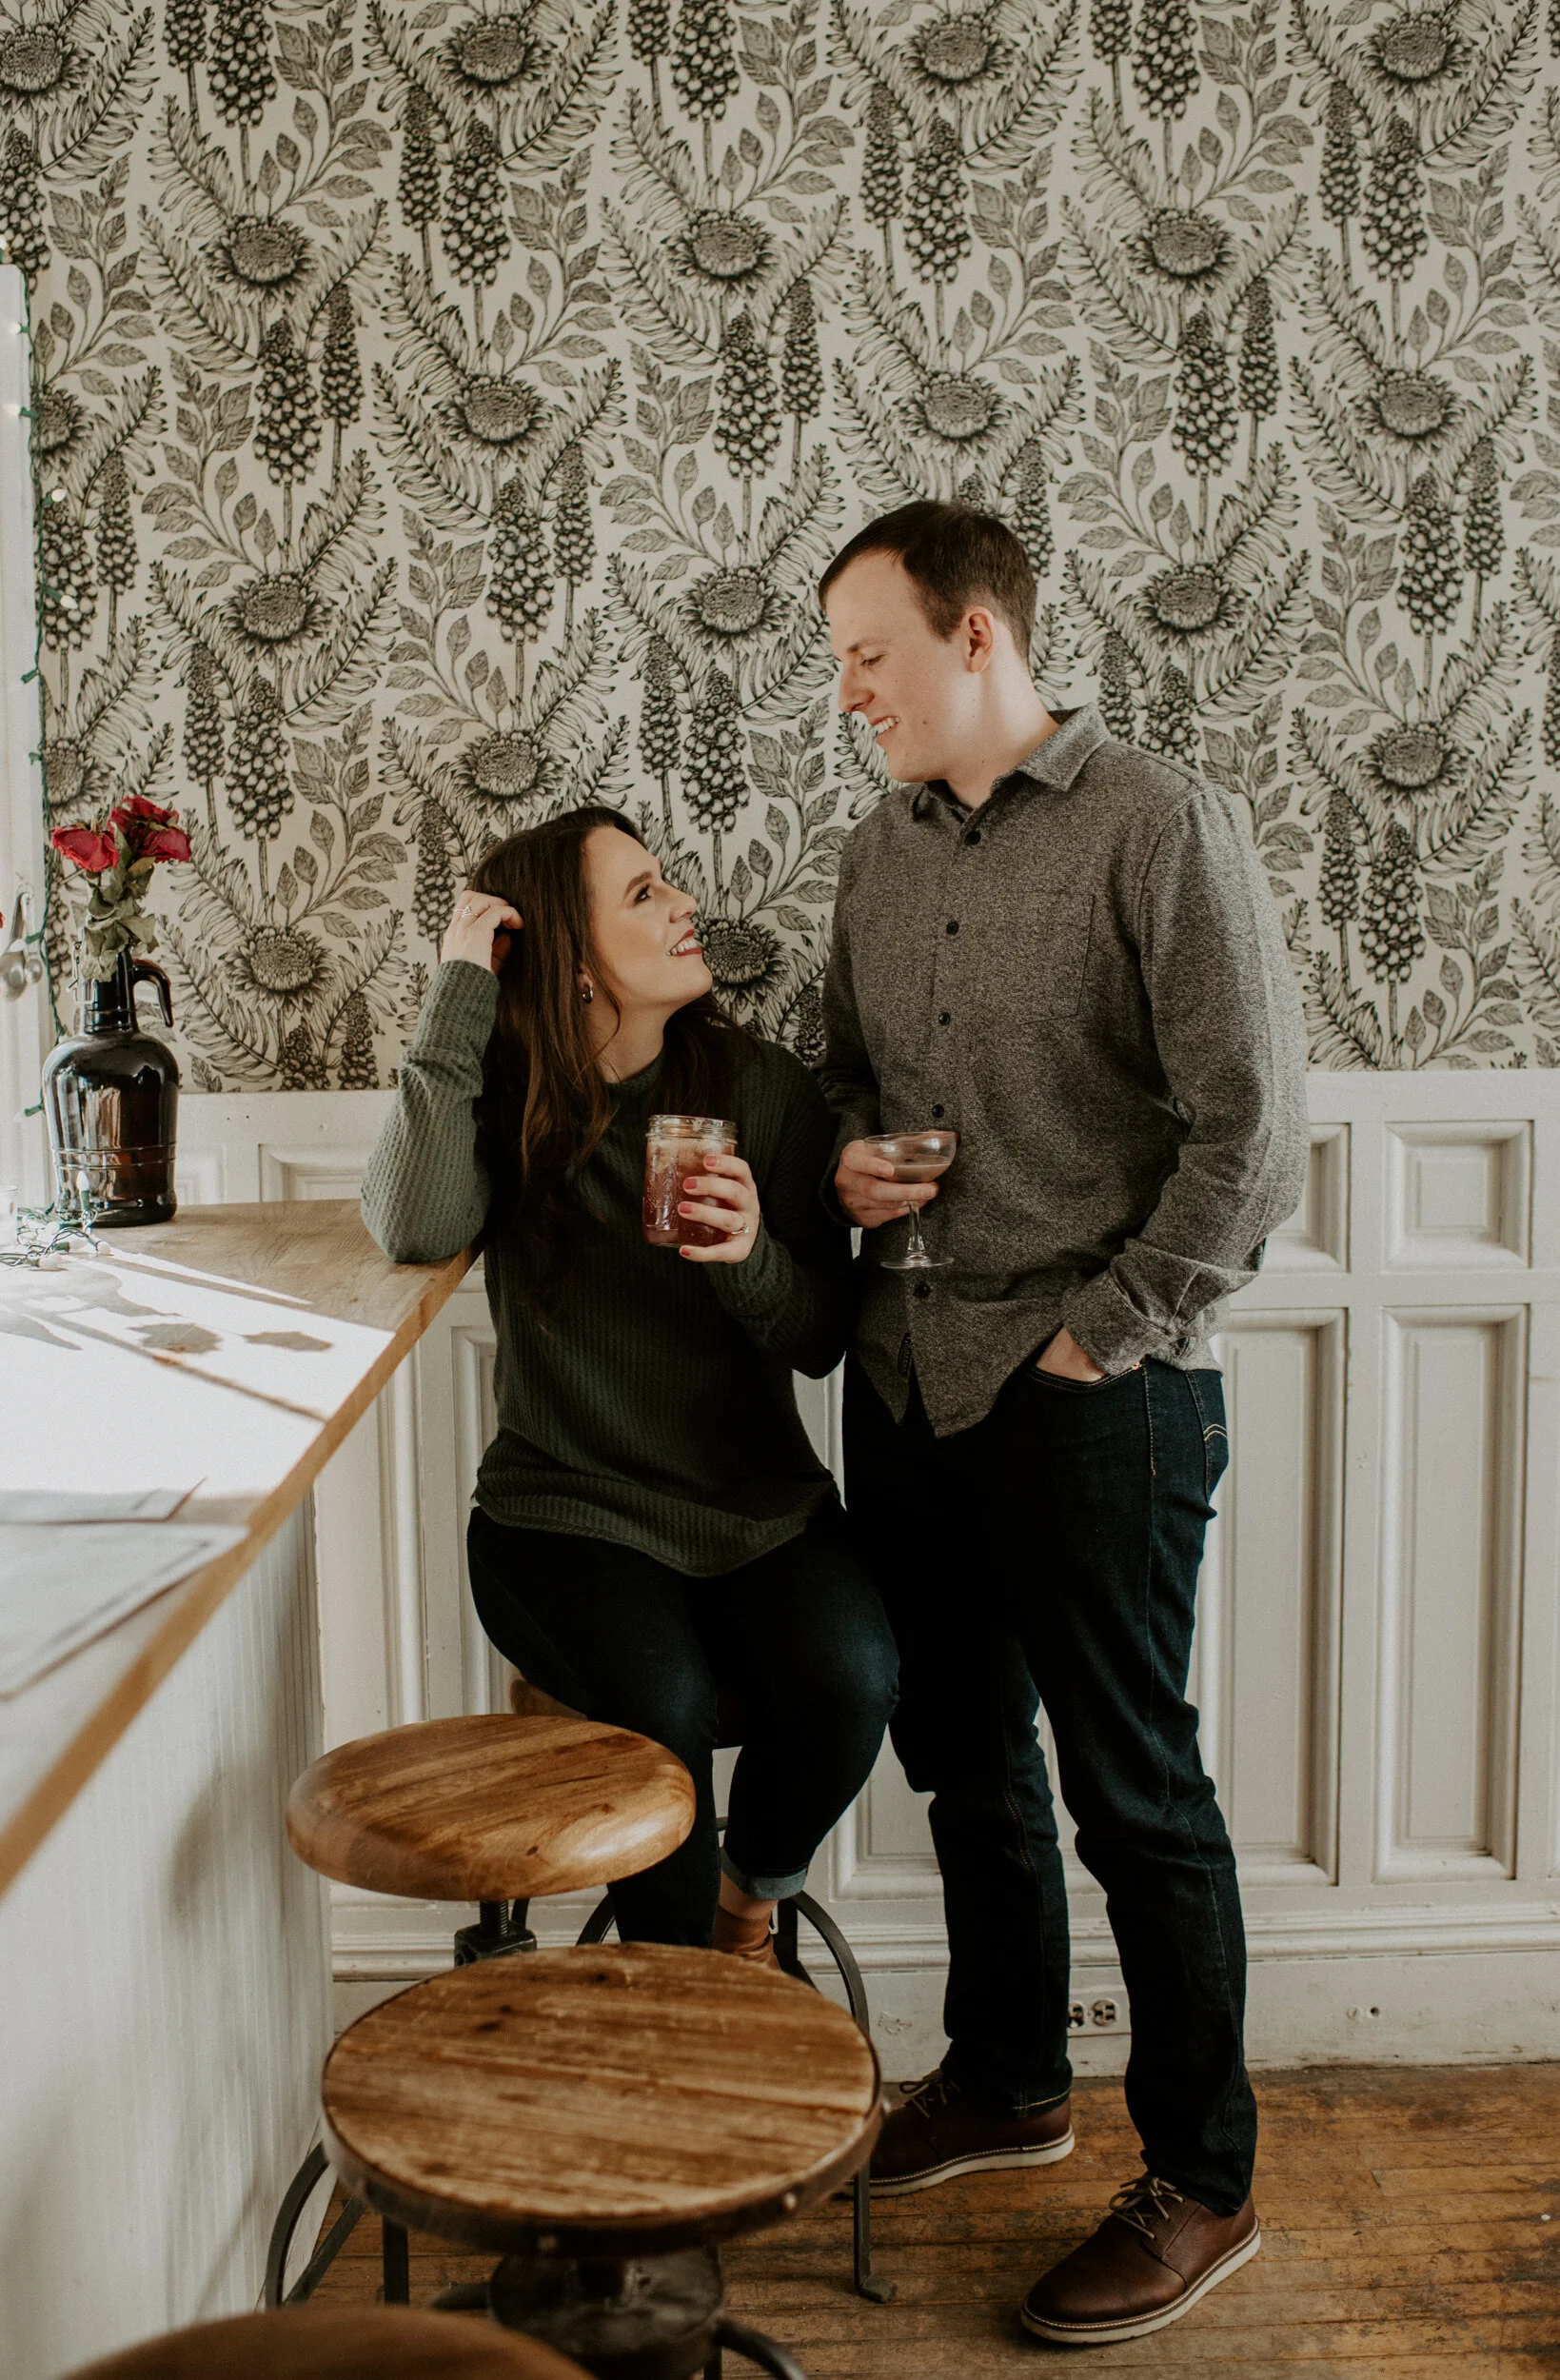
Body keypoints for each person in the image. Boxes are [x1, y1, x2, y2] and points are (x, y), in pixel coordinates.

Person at [818, 503, 1309, 2347]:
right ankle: (1012, 2076)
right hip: (909, 1385)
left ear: (975, 638)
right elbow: (852, 1071)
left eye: (872, 650)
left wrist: (1100, 1339)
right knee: (960, 1748)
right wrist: (851, 1154)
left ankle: (1205, 2173)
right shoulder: (871, 856)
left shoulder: (1157, 825)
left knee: (1135, 1792)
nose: (851, 688)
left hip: (1099, 1391)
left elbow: (1251, 1137)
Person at [362, 805, 898, 1962]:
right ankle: (677, 2005)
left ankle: (743, 1915)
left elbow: (820, 1335)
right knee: (661, 1717)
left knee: (855, 1676)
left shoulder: (758, 1090)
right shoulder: (509, 1102)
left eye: (667, 885)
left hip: (753, 1509)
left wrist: (749, 1256)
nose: (683, 905)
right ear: (570, 961)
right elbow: (411, 1223)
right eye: (644, 894)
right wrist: (463, 984)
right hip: (562, 1517)